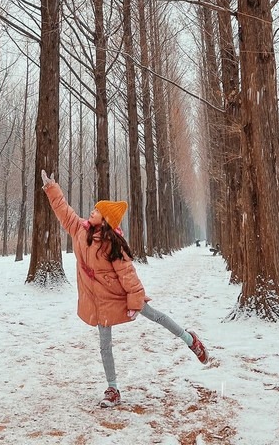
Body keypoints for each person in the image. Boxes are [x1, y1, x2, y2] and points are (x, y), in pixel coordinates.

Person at [41, 169, 208, 408]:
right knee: (104, 344)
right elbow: (64, 212)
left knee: (155, 316)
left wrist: (134, 303)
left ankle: (190, 339)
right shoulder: (80, 230)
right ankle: (113, 389)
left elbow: (128, 276)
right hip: (99, 300)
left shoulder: (113, 245)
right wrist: (51, 188)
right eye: (95, 207)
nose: (93, 210)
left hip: (120, 295)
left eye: (98, 210)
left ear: (106, 219)